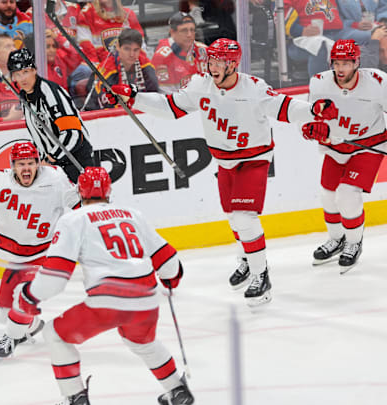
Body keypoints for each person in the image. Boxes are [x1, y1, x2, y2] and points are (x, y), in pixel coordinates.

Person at [108, 39, 339, 306]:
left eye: (219, 62)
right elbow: (170, 108)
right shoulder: (200, 85)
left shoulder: (253, 88)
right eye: (211, 61)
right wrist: (134, 96)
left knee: (244, 216)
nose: (212, 66)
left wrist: (313, 110)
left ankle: (260, 274)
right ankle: (245, 258)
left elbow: (284, 107)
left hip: (254, 159)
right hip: (224, 161)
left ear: (232, 64)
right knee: (233, 217)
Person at [14, 166, 193, 405]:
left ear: (79, 192)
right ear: (109, 190)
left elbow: (55, 280)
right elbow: (170, 265)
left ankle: (74, 397)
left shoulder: (73, 220)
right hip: (146, 300)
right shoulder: (132, 214)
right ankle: (177, 390)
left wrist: (29, 295)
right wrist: (172, 278)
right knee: (143, 342)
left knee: (54, 335)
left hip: (108, 302)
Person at [0, 142, 81, 360]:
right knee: (3, 314)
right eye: (21, 164)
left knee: (22, 297)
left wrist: (89, 193)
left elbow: (78, 204)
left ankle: (11, 338)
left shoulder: (55, 178)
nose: (26, 168)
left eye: (31, 163)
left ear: (38, 164)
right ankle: (34, 325)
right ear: (12, 166)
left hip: (44, 255)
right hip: (15, 260)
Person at [301, 40, 387, 271]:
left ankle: (354, 242)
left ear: (357, 62)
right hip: (336, 147)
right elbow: (314, 117)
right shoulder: (319, 82)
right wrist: (313, 130)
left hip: (368, 145)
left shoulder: (378, 82)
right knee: (328, 195)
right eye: (337, 63)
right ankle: (336, 239)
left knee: (347, 194)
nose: (340, 69)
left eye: (346, 63)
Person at [8, 47, 95, 183]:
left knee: (86, 203)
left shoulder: (51, 93)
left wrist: (50, 159)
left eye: (26, 72)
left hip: (76, 161)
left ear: (34, 70)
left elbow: (73, 133)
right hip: (55, 166)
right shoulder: (25, 97)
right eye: (18, 74)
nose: (22, 78)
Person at [86, 28, 159, 111]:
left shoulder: (146, 66)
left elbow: (155, 96)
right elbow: (107, 106)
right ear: (118, 47)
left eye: (136, 50)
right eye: (127, 49)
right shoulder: (108, 70)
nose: (132, 54)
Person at [151, 12, 208, 93]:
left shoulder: (205, 50)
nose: (189, 35)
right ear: (172, 32)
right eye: (184, 30)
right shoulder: (162, 57)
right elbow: (166, 96)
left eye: (192, 30)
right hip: (178, 102)